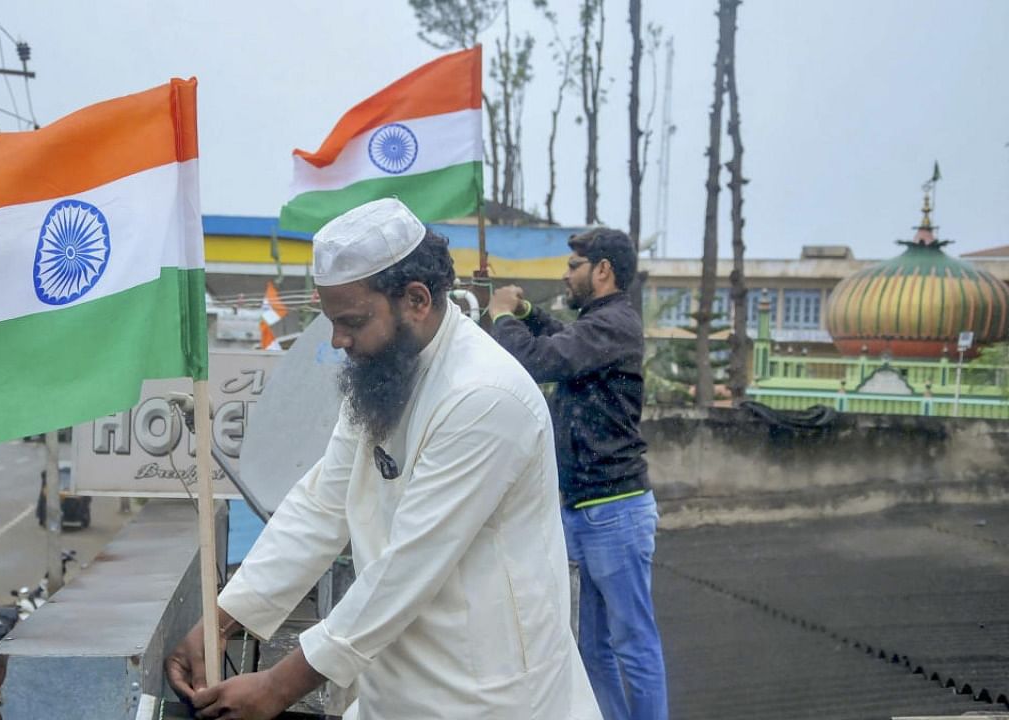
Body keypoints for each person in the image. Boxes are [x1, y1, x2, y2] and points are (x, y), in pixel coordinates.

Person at [166, 198, 600, 720]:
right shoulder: (386, 374)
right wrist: (220, 619)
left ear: (416, 300)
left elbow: (407, 567)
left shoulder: (485, 396)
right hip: (398, 689)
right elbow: (322, 503)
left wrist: (279, 687)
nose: (337, 339)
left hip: (489, 694)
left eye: (351, 321)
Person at [487, 227, 668, 720]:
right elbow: (563, 340)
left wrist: (503, 317)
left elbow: (540, 359)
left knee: (632, 643)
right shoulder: (600, 324)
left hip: (615, 511)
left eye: (574, 266)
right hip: (586, 511)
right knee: (593, 647)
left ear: (602, 270)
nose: (566, 275)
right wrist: (526, 315)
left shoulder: (615, 324)